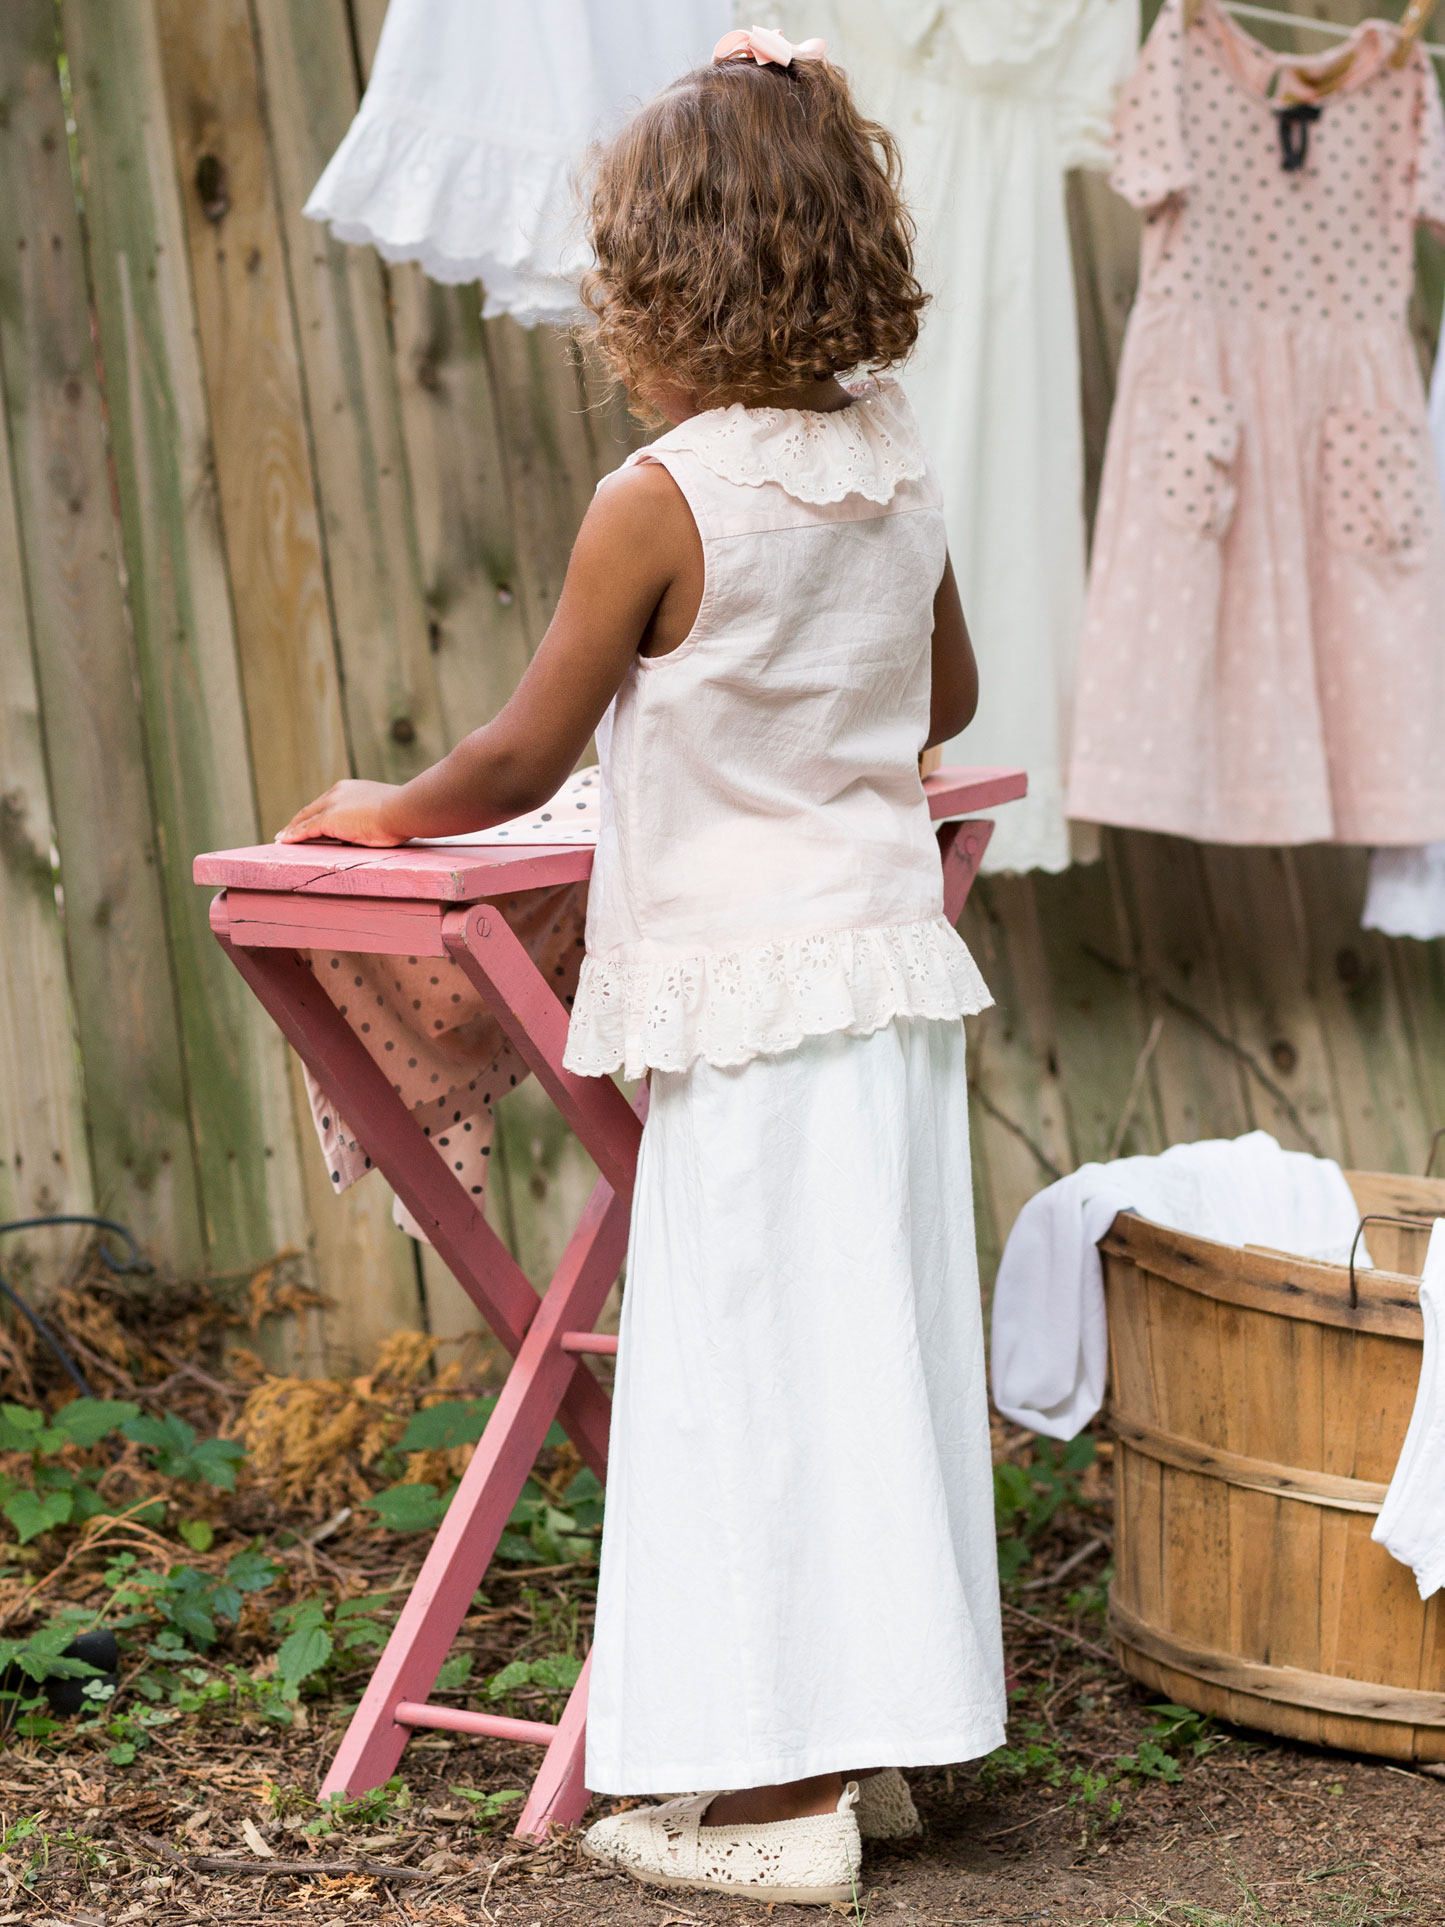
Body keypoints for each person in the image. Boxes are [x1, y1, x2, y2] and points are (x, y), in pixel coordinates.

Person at [279, 24, 1005, 1907]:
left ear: (661, 284)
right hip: (883, 982)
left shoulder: (659, 496)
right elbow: (946, 702)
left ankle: (777, 1808)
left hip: (745, 1008)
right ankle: (875, 1744)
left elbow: (521, 757)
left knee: (753, 1379)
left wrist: (387, 805)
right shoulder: (889, 464)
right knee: (877, 1366)